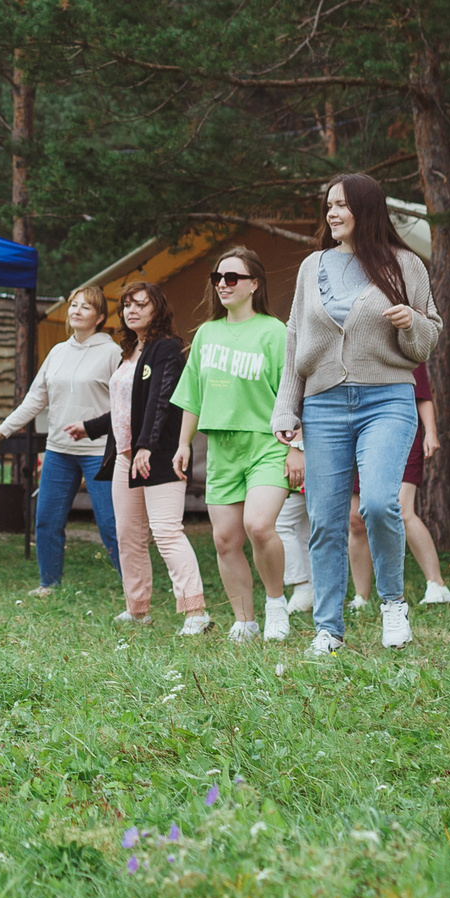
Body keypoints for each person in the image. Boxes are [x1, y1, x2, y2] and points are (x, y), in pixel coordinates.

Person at [276, 174, 442, 655]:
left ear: (366, 209)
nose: (332, 213)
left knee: (378, 503)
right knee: (325, 519)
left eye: (342, 205)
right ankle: (328, 629)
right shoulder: (312, 266)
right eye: (328, 205)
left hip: (387, 399)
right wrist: (287, 405)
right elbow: (294, 338)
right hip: (323, 404)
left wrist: (411, 322)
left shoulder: (405, 264)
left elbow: (428, 337)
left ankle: (393, 604)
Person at [176, 246, 297, 641]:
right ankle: (245, 620)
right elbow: (192, 396)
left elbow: (294, 394)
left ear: (254, 284)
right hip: (221, 449)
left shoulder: (275, 332)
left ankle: (276, 604)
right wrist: (183, 444)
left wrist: (297, 447)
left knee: (259, 526)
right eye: (218, 278)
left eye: (232, 278)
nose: (223, 284)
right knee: (225, 540)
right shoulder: (206, 334)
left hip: (267, 444)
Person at [74, 281, 204, 634]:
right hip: (124, 456)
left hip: (158, 455)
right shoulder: (129, 350)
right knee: (128, 535)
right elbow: (125, 407)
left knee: (166, 532)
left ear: (157, 308)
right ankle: (138, 609)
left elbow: (161, 400)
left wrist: (146, 445)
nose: (132, 311)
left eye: (141, 305)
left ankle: (196, 612)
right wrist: (89, 427)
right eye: (127, 305)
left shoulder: (167, 348)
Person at [0, 287, 124, 596]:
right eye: (73, 305)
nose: (76, 311)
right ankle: (49, 584)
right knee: (46, 520)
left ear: (100, 317)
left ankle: (134, 589)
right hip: (58, 451)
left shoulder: (112, 353)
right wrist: (3, 430)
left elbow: (124, 404)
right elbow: (35, 399)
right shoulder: (58, 352)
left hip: (99, 452)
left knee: (111, 524)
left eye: (86, 307)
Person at [347, 364, 450, 608]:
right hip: (357, 435)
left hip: (401, 435)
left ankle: (437, 586)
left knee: (402, 510)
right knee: (356, 520)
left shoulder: (403, 342)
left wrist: (431, 432)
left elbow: (423, 395)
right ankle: (361, 597)